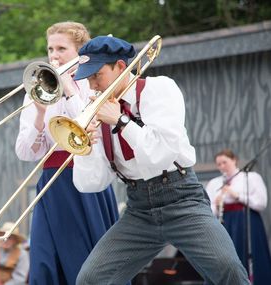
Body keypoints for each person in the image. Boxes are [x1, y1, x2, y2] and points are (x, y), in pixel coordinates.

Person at [71, 35, 250, 284]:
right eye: (88, 78)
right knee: (91, 279)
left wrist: (121, 121)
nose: (92, 86)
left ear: (120, 67)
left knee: (228, 269)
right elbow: (92, 184)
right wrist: (86, 149)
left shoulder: (159, 89)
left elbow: (161, 153)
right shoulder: (99, 113)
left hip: (183, 200)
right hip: (139, 208)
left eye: (96, 75)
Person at [15, 21, 119, 285]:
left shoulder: (92, 84)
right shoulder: (36, 90)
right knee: (44, 262)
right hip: (52, 182)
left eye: (61, 48)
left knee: (86, 262)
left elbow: (90, 130)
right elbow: (25, 152)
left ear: (80, 52)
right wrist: (39, 114)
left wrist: (69, 89)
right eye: (50, 49)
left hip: (87, 180)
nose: (53, 56)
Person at [206, 149, 271, 285]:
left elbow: (261, 202)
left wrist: (238, 196)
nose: (222, 166)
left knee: (251, 253)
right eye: (219, 164)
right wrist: (217, 206)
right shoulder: (214, 183)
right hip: (225, 221)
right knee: (227, 256)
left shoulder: (250, 177)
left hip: (246, 219)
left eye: (225, 162)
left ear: (234, 160)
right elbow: (207, 208)